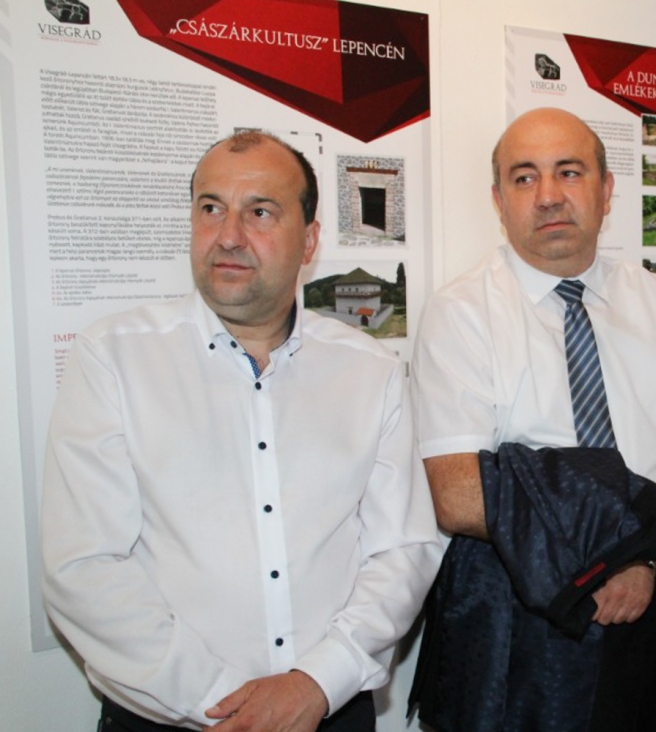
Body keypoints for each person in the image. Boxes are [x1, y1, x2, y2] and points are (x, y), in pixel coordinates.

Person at [40, 130, 443, 732]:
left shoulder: (370, 371)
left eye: (259, 212)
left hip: (327, 710)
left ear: (309, 240)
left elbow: (403, 550)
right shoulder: (114, 358)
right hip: (173, 718)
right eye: (211, 208)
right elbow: (84, 568)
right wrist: (229, 703)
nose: (228, 235)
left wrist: (315, 683)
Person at [410, 107, 656, 731]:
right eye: (524, 177)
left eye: (569, 171)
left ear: (606, 190)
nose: (548, 195)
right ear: (499, 200)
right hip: (521, 627)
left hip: (648, 603)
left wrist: (643, 557)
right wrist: (628, 545)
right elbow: (458, 494)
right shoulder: (460, 314)